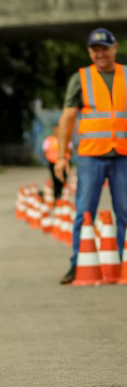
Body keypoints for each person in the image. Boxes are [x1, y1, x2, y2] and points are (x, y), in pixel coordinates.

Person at [56, 28, 127, 285]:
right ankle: (79, 263)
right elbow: (67, 118)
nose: (100, 54)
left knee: (126, 212)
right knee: (85, 212)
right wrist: (62, 157)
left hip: (123, 156)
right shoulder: (81, 78)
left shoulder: (126, 75)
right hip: (91, 157)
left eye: (104, 48)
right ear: (89, 52)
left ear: (114, 48)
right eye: (95, 50)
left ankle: (122, 262)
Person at [41, 125, 67, 201]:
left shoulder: (65, 139)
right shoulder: (49, 140)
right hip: (52, 162)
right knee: (55, 180)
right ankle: (56, 196)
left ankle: (62, 197)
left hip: (63, 163)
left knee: (63, 180)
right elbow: (45, 150)